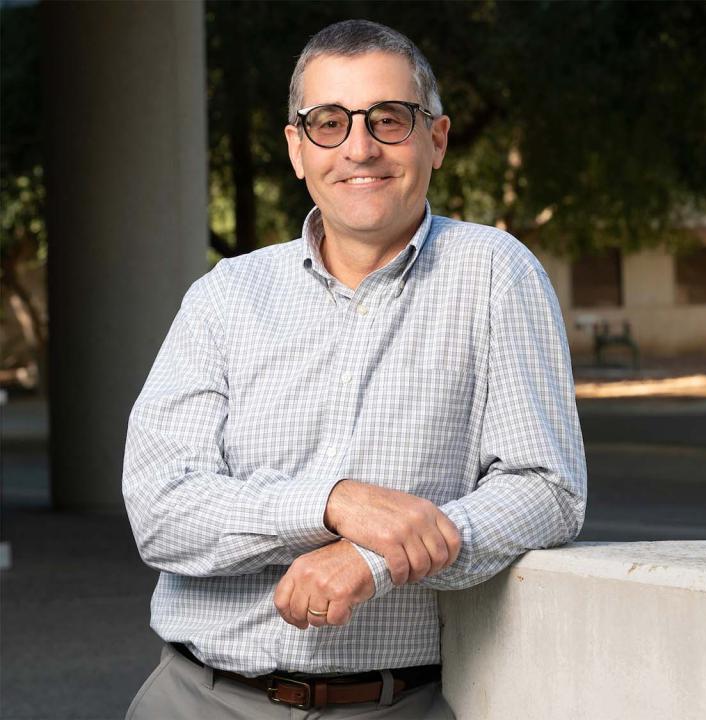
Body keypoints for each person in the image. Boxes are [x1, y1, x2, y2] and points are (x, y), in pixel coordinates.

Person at [122, 19, 587, 719]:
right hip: (197, 698)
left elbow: (546, 489)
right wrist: (330, 503)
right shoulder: (225, 295)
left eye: (389, 120)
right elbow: (160, 510)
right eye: (329, 123)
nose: (360, 148)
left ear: (436, 138)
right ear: (297, 149)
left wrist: (374, 560)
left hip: (395, 703)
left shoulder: (496, 275)